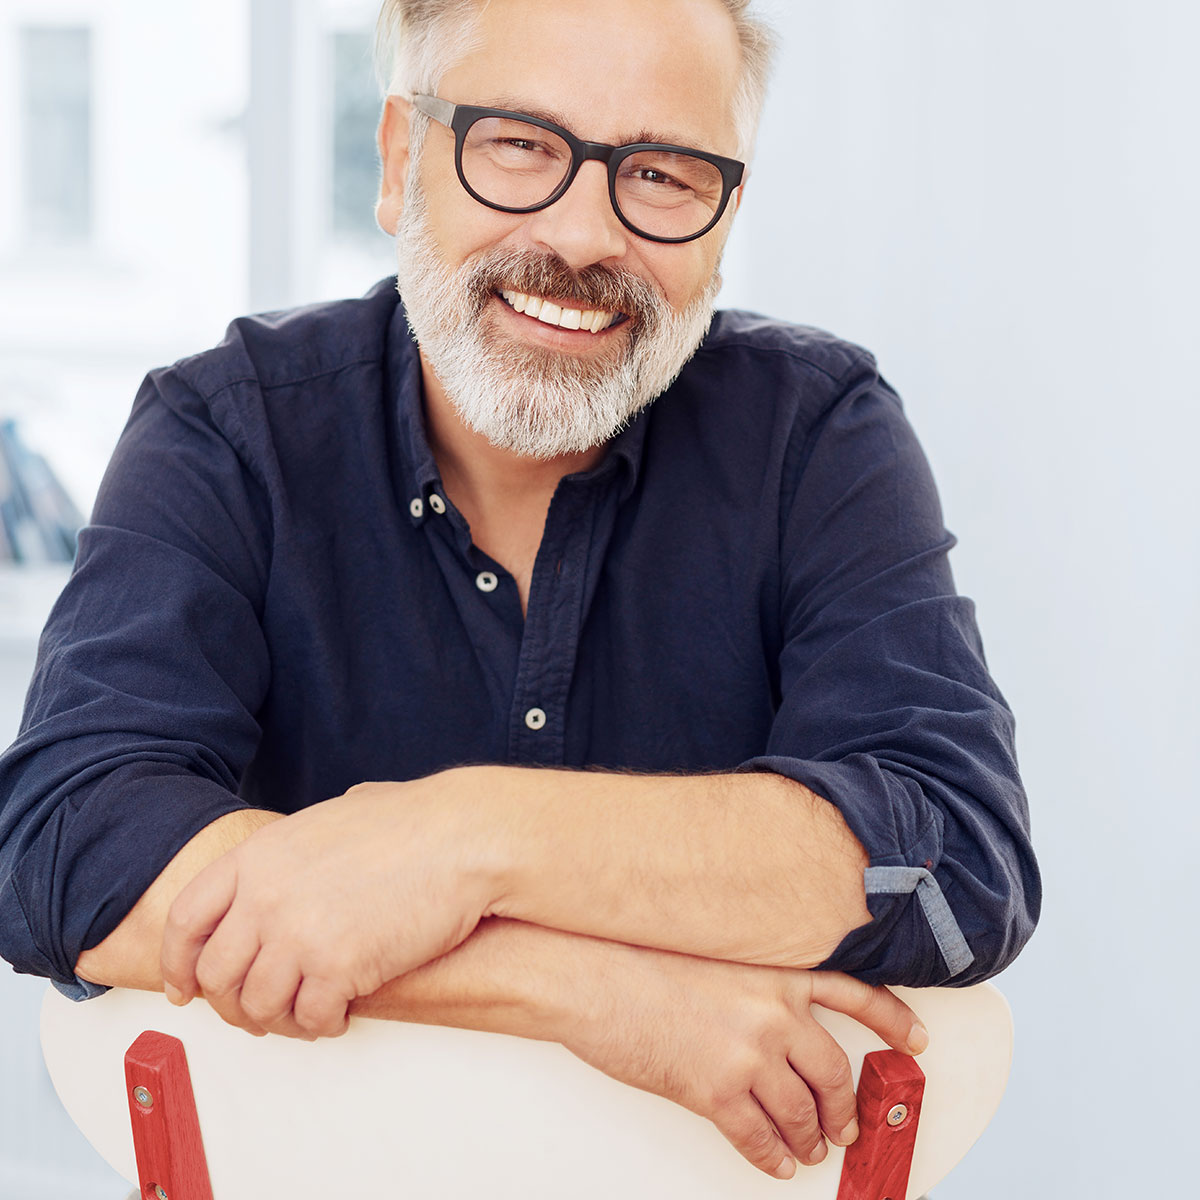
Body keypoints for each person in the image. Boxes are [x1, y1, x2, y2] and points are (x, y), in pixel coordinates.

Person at [0, 0, 1039, 1182]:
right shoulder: (226, 434)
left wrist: (461, 842)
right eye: (520, 145)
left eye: (661, 172)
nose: (587, 234)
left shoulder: (818, 437)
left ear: (724, 219)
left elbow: (952, 878)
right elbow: (62, 852)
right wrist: (590, 991)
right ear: (403, 162)